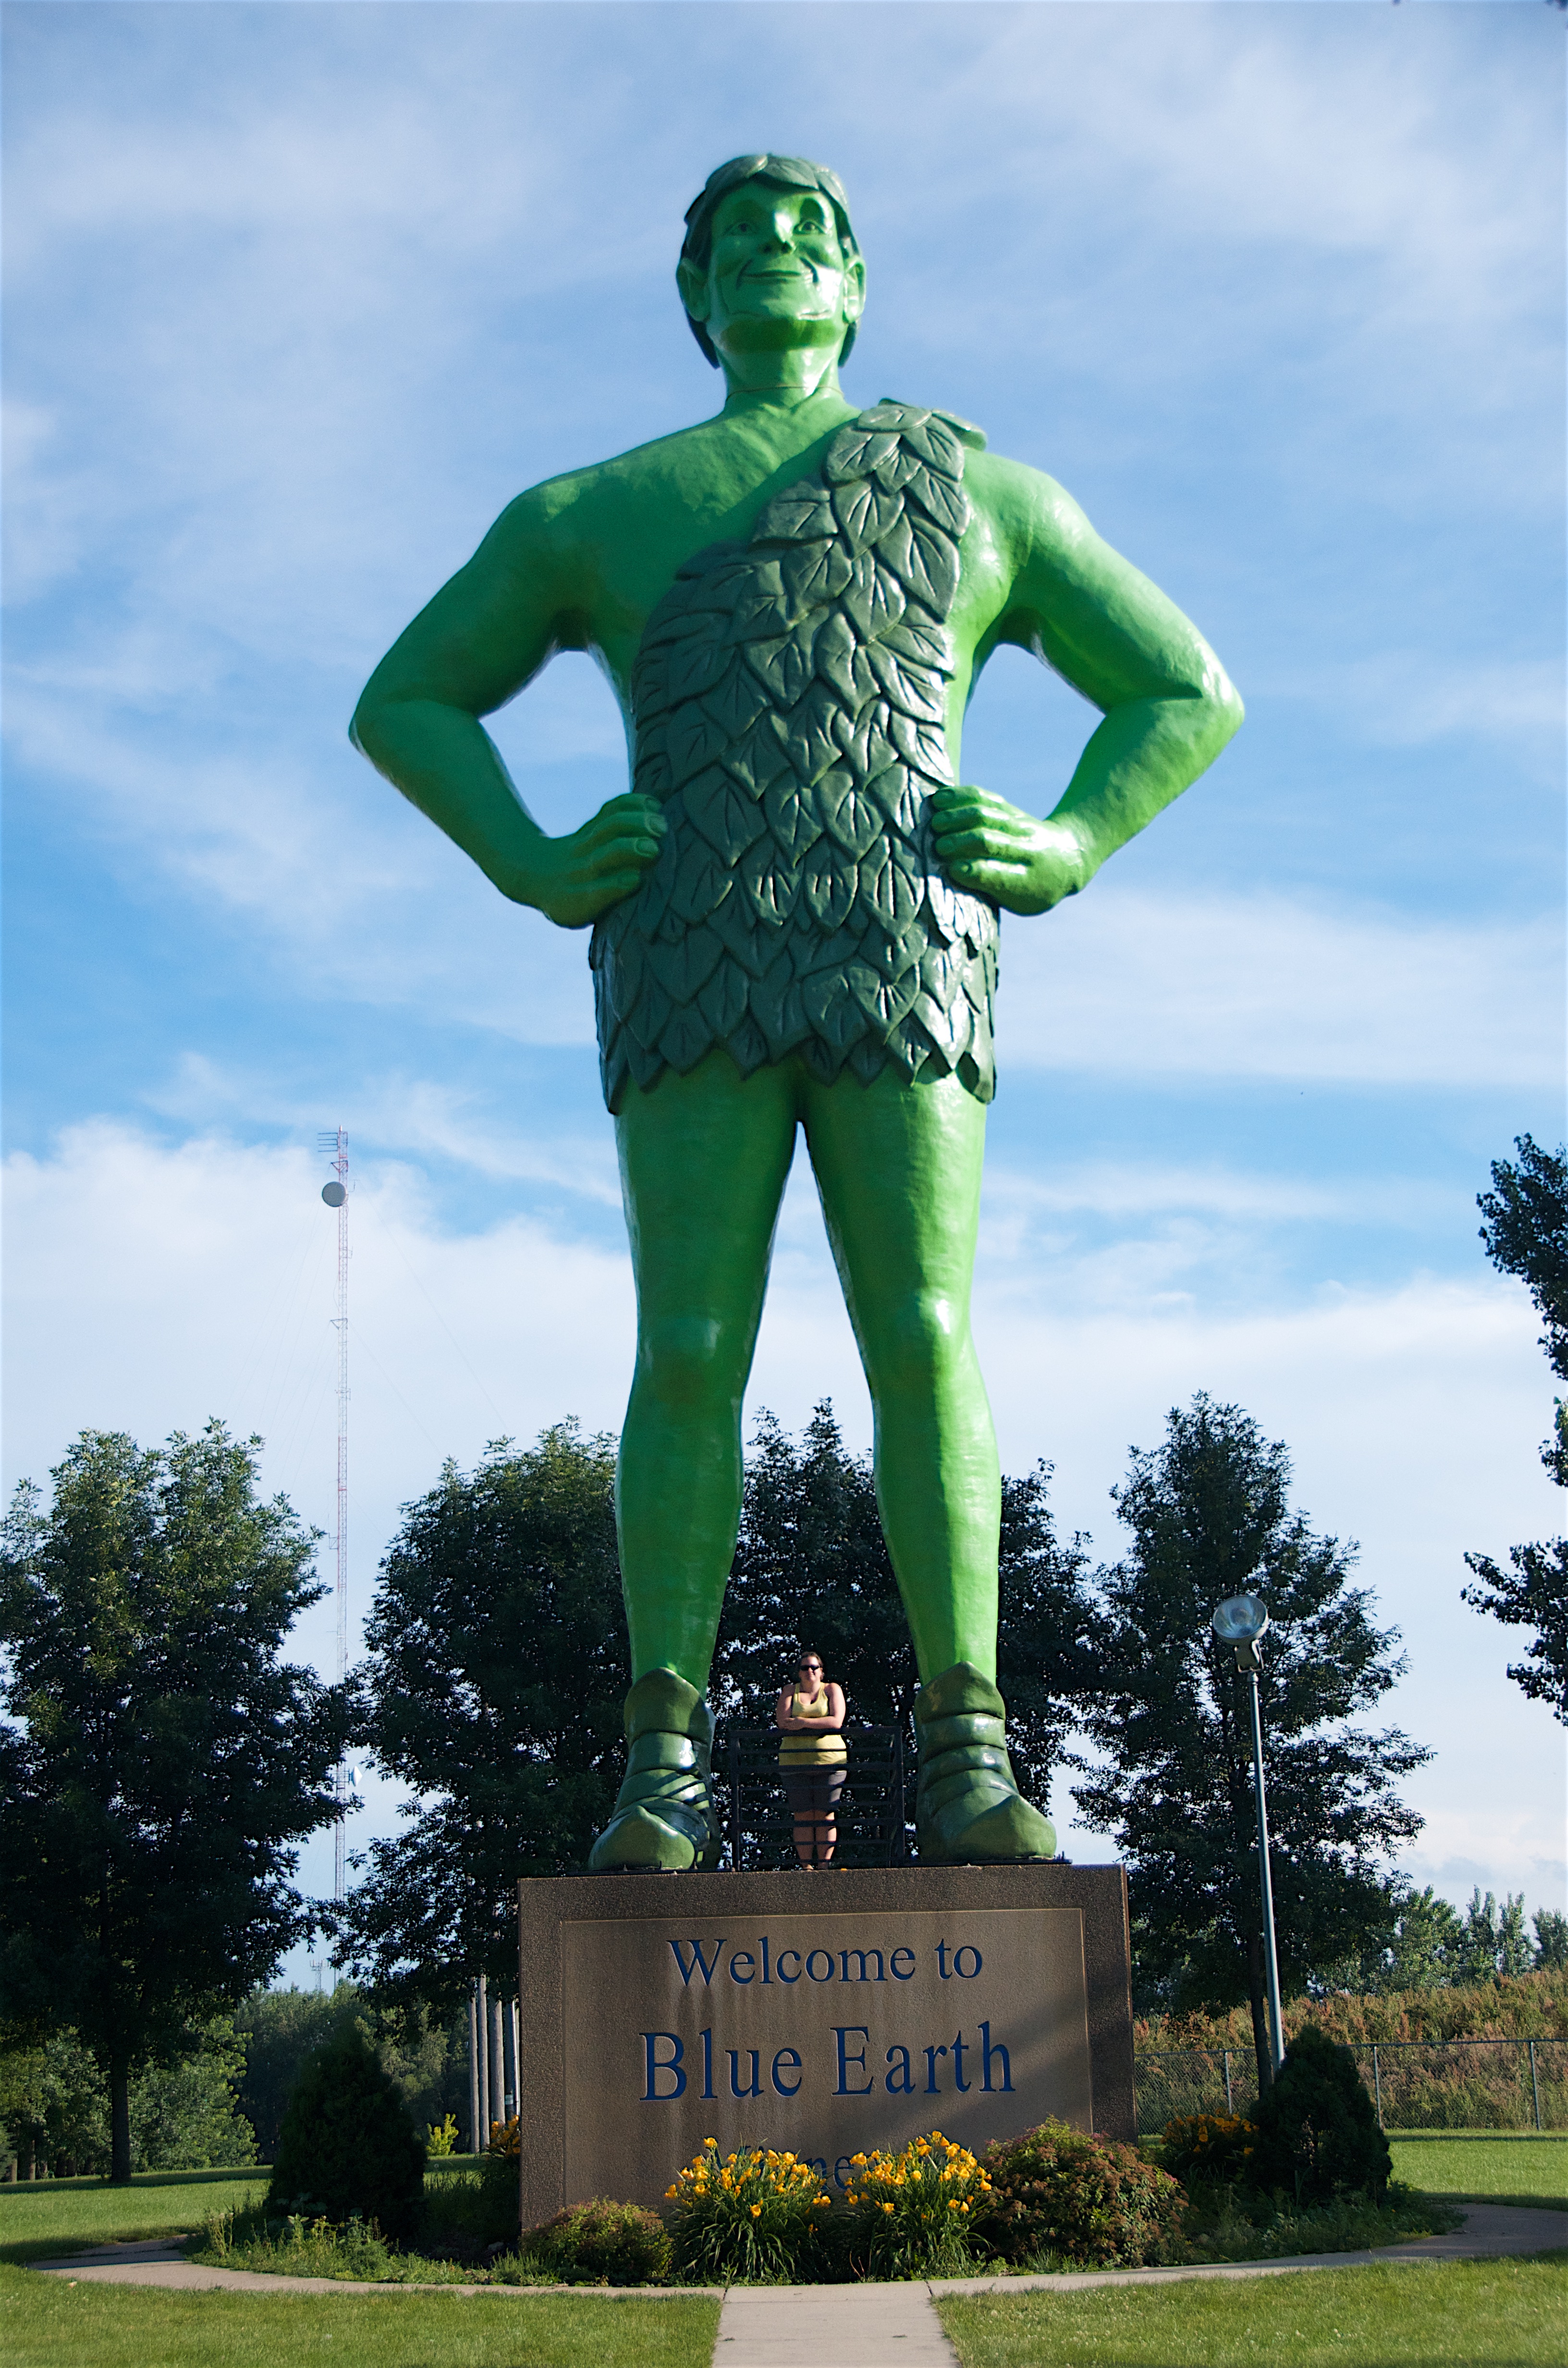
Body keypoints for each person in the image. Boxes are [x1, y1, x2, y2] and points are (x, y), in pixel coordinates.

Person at [351, 154, 1242, 1874]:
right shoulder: (588, 511)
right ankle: (661, 1765)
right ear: (694, 298)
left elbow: (1182, 688)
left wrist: (1069, 837)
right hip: (687, 952)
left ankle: (967, 1749)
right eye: (736, 239)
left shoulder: (977, 492)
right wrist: (529, 855)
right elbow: (408, 699)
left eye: (806, 234)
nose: (773, 250)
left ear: (851, 285)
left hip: (903, 946)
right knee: (689, 1345)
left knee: (921, 1326)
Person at [774, 1649, 847, 1868]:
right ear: (799, 1672)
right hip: (794, 1763)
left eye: (815, 1667)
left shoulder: (832, 1689)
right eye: (805, 1667)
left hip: (831, 1762)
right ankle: (806, 1866)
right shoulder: (790, 1691)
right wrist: (818, 1723)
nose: (810, 1671)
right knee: (803, 1815)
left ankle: (824, 1866)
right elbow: (783, 1722)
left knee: (826, 1814)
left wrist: (803, 1723)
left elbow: (836, 1722)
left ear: (822, 1671)